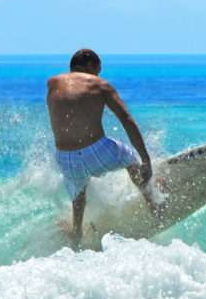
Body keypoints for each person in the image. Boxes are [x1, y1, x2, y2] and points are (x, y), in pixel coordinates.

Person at [47, 48, 161, 248]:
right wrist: (146, 160)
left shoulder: (53, 83)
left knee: (78, 190)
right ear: (91, 65)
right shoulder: (101, 86)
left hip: (66, 160)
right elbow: (127, 120)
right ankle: (153, 203)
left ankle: (76, 231)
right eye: (98, 70)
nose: (99, 75)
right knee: (128, 157)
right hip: (97, 153)